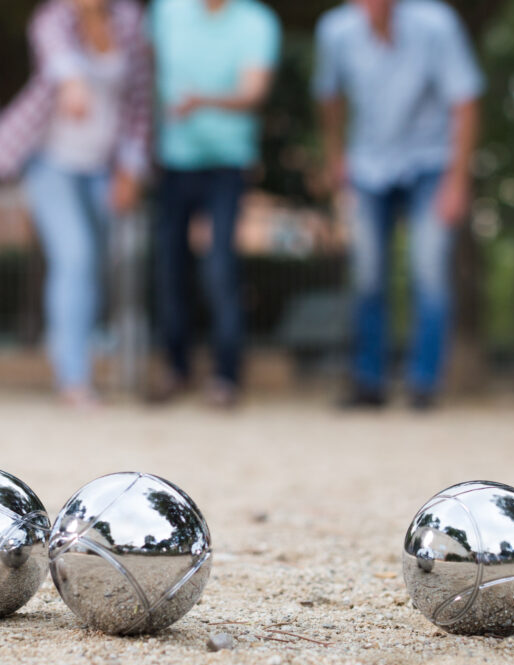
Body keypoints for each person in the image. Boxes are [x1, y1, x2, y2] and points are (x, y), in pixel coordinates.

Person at [0, 0, 152, 408]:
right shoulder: (52, 18)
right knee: (74, 257)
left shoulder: (130, 21)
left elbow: (139, 103)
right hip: (50, 162)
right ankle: (73, 379)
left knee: (99, 263)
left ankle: (81, 354)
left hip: (103, 166)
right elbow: (60, 63)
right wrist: (73, 83)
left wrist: (132, 168)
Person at [313, 0, 483, 411]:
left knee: (429, 272)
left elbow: (465, 101)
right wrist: (336, 158)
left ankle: (424, 384)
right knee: (367, 276)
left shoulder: (437, 24)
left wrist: (458, 180)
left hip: (431, 163)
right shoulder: (335, 31)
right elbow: (329, 96)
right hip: (368, 165)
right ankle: (369, 382)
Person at [147, 0, 281, 409]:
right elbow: (144, 73)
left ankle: (226, 375)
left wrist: (202, 102)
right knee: (169, 267)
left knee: (220, 267)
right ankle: (177, 367)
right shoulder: (166, 12)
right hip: (173, 161)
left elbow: (255, 91)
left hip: (228, 161)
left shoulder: (256, 22)